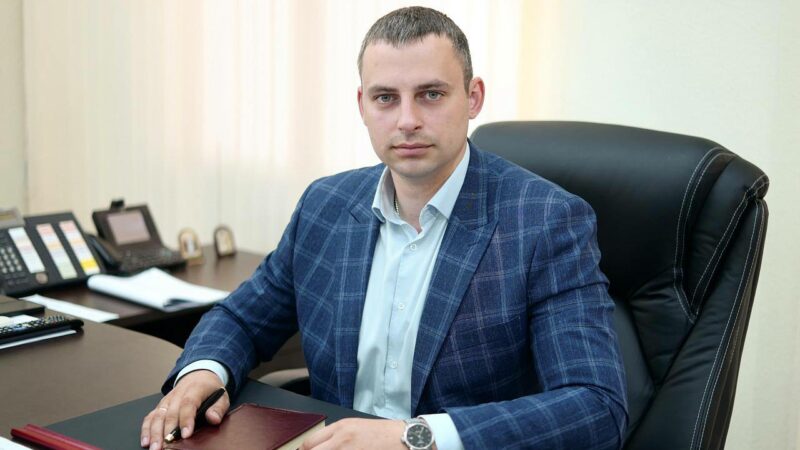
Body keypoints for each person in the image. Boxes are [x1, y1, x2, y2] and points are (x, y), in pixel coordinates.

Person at [140, 6, 627, 450]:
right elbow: (243, 319)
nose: (407, 120)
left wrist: (413, 438)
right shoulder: (326, 206)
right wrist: (202, 373)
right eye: (386, 98)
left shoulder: (545, 221)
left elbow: (596, 407)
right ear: (362, 105)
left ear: (473, 97)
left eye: (431, 94)